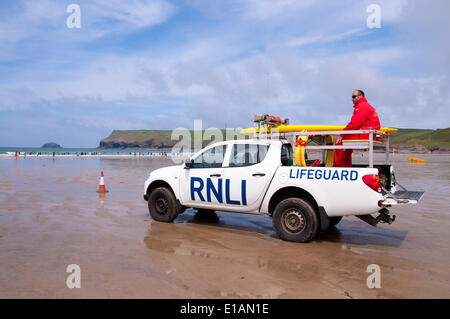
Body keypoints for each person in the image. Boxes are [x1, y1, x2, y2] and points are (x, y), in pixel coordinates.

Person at [334, 90, 380, 167]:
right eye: (352, 97)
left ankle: (339, 168)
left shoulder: (362, 107)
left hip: (365, 133)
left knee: (340, 142)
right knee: (346, 142)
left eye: (354, 97)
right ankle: (347, 166)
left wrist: (342, 134)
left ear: (360, 96)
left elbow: (354, 123)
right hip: (368, 132)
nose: (352, 99)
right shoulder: (367, 106)